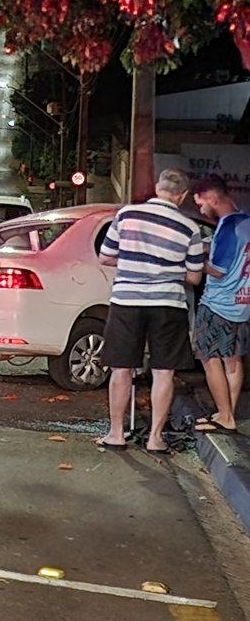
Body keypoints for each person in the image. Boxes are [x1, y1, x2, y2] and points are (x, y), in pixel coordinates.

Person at [97, 169, 204, 453]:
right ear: (181, 196)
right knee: (163, 371)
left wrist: (134, 262)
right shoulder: (190, 228)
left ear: (158, 188)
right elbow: (194, 278)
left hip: (127, 302)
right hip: (168, 305)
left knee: (121, 369)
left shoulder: (126, 215)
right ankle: (155, 438)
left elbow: (105, 255)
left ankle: (116, 434)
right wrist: (167, 267)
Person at [191, 175, 250, 433]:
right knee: (233, 359)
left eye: (201, 204)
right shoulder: (246, 222)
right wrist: (207, 246)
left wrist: (192, 262)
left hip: (218, 304)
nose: (201, 210)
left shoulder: (227, 227)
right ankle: (228, 413)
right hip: (242, 302)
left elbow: (218, 270)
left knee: (209, 358)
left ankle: (225, 416)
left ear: (212, 197)